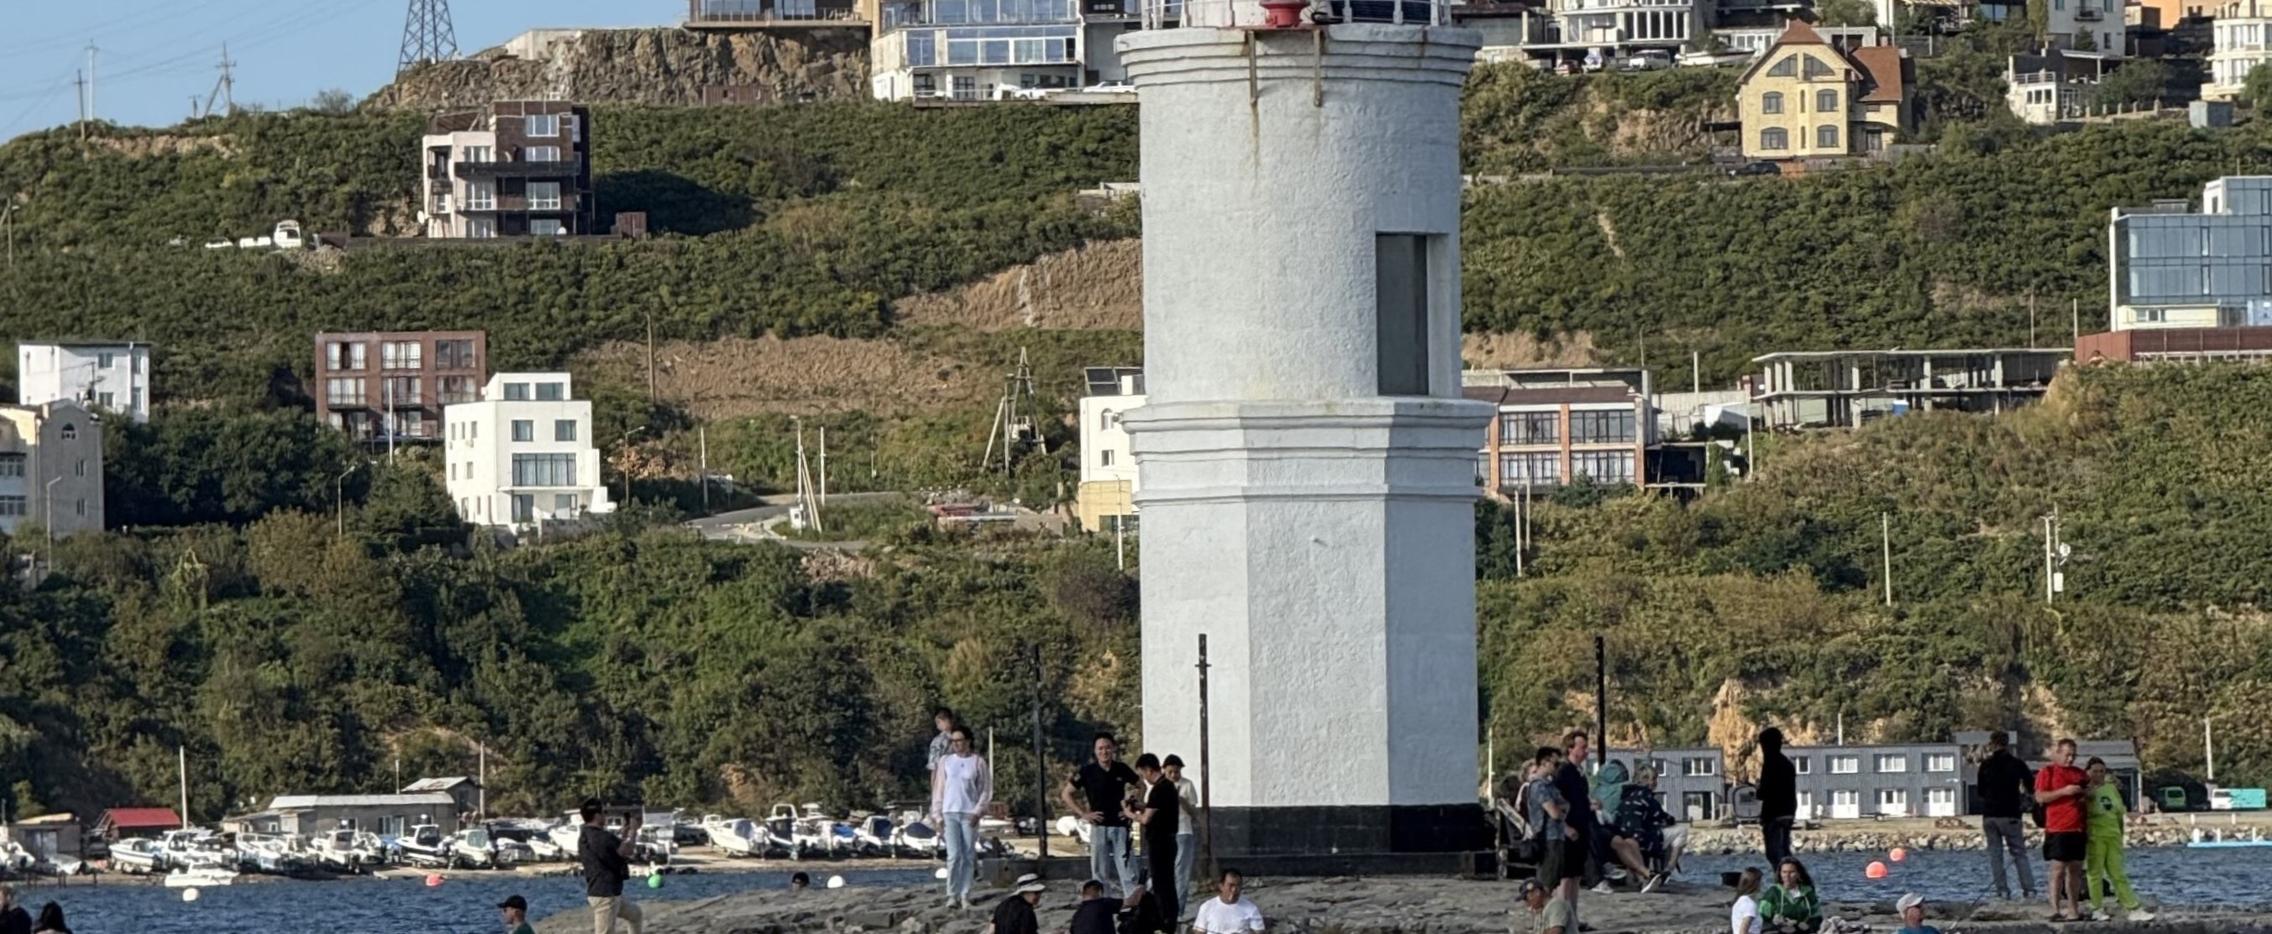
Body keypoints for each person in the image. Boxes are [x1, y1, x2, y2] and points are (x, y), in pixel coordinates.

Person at [1063, 733, 1141, 897]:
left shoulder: (1121, 768)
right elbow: (1066, 794)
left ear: (1113, 749)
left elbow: (1141, 786)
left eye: (1107, 748)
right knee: (1099, 872)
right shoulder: (1087, 771)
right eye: (1100, 748)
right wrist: (1084, 814)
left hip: (1120, 825)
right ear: (1095, 751)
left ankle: (1133, 902)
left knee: (1128, 870)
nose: (1104, 752)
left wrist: (1131, 806)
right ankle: (1102, 903)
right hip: (1099, 826)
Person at [931, 724, 993, 910]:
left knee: (967, 855)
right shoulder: (946, 761)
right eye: (953, 741)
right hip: (949, 812)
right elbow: (939, 789)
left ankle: (965, 894)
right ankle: (952, 894)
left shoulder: (978, 762)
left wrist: (978, 811)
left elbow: (985, 789)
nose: (956, 744)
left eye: (959, 740)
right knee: (954, 855)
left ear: (968, 741)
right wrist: (937, 815)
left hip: (969, 813)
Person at [2083, 757, 2152, 922]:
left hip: (2113, 835)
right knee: (2095, 873)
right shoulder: (2085, 791)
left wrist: (2121, 833)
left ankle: (2132, 907)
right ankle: (2097, 908)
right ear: (2088, 772)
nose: (2098, 775)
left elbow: (2119, 812)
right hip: (2095, 836)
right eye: (2095, 771)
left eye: (2102, 771)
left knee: (2117, 873)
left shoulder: (2111, 789)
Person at [1976, 730, 2039, 901]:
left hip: (1989, 814)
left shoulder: (1986, 765)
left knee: (1995, 855)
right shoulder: (2016, 763)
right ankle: (2029, 890)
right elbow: (2031, 786)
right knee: (2019, 853)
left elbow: (1980, 791)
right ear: (2007, 743)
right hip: (2010, 813)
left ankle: (2002, 891)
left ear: (1992, 744)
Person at [2035, 738, 2091, 922]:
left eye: (2073, 755)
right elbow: (2040, 797)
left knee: (2075, 869)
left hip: (2078, 827)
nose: (2070, 759)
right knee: (2057, 869)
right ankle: (2055, 908)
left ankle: (2073, 909)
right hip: (2057, 827)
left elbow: (2090, 792)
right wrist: (2064, 792)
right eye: (2067, 755)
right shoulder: (2047, 772)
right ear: (2058, 753)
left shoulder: (2080, 774)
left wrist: (2084, 793)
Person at [1126, 753, 1184, 923]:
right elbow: (1154, 807)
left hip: (1161, 842)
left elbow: (1146, 819)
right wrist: (1138, 806)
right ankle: (1169, 915)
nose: (1144, 779)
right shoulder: (1167, 786)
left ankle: (1165, 916)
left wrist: (1129, 814)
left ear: (1148, 770)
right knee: (1167, 881)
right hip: (1167, 841)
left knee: (1161, 882)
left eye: (1143, 774)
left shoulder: (1159, 789)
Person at [1525, 747, 1582, 911]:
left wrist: (1560, 809)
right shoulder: (1539, 786)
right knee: (1546, 880)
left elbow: (1565, 805)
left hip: (1557, 835)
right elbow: (1554, 812)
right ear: (1544, 762)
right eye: (1555, 764)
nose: (1558, 768)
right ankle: (1539, 914)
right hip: (1547, 837)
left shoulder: (1550, 785)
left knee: (1554, 878)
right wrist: (1560, 809)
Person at [579, 799, 645, 934]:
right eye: (603, 813)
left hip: (607, 891)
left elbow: (611, 849)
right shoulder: (601, 836)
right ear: (597, 816)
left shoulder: (586, 834)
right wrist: (633, 831)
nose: (605, 816)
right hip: (605, 894)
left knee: (635, 914)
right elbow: (626, 851)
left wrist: (624, 833)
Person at [1552, 731, 1606, 891]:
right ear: (1571, 748)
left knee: (1575, 874)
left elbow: (1578, 798)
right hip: (1570, 824)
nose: (1586, 751)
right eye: (1583, 747)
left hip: (1582, 823)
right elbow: (1558, 799)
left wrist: (1589, 804)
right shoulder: (1563, 772)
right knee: (1567, 875)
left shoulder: (1579, 772)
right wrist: (1564, 826)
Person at [1616, 766, 1687, 879]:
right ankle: (1670, 868)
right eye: (1653, 779)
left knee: (1664, 834)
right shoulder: (1647, 797)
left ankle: (1653, 873)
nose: (1655, 782)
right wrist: (1670, 820)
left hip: (1625, 836)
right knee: (1681, 830)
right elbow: (1663, 817)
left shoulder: (1626, 795)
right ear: (1645, 780)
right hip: (1644, 839)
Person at [1164, 755, 1200, 919]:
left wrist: (1180, 799)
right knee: (1165, 870)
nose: (1173, 775)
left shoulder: (1187, 785)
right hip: (1165, 833)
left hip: (1183, 831)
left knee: (1181, 873)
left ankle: (1178, 911)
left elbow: (1193, 812)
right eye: (1170, 772)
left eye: (1176, 772)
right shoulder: (1160, 786)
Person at [1756, 728, 1796, 866]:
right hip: (1788, 812)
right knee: (1784, 851)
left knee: (1775, 854)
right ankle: (1791, 876)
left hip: (1774, 814)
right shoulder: (1786, 763)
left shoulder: (1771, 763)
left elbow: (1765, 792)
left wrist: (1758, 791)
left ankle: (1785, 878)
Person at [1190, 869, 1266, 934]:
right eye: (1231, 885)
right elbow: (1199, 932)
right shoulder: (1207, 907)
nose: (1234, 890)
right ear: (1221, 886)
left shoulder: (1251, 908)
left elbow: (1259, 932)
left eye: (1238, 885)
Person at [1757, 858, 1822, 934]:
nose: (1787, 876)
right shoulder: (1773, 892)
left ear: (1798, 874)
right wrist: (1775, 922)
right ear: (1780, 874)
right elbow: (1761, 918)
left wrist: (1808, 926)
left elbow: (1817, 917)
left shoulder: (1808, 892)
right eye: (1784, 872)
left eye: (1791, 872)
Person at [1731, 867, 1764, 934]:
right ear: (1756, 883)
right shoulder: (1749, 905)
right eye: (1761, 881)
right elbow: (1743, 931)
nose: (1762, 884)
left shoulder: (1740, 900)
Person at [927, 708, 958, 772]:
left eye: (939, 722)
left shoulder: (962, 736)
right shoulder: (938, 740)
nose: (937, 726)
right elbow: (934, 765)